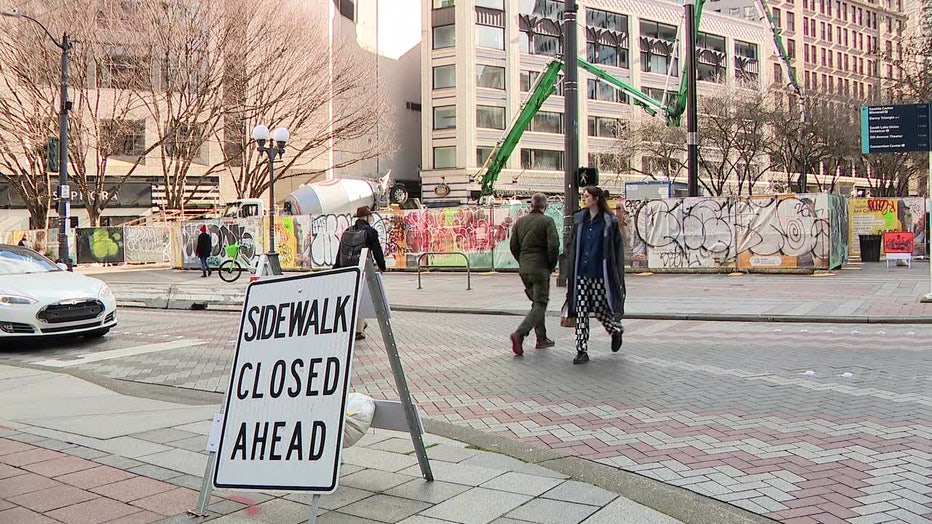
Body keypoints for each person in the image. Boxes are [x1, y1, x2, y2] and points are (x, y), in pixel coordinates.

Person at [565, 186, 626, 364]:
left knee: (600, 309)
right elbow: (572, 245)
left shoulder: (609, 222)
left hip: (600, 273)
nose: (584, 199)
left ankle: (615, 330)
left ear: (596, 199)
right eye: (583, 196)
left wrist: (618, 275)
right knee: (581, 311)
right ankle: (581, 350)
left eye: (587, 196)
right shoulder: (579, 220)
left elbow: (616, 252)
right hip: (581, 274)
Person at [509, 193, 559, 356]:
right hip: (540, 268)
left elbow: (513, 246)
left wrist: (522, 261)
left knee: (536, 303)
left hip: (524, 268)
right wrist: (550, 266)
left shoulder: (520, 222)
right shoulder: (547, 221)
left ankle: (541, 338)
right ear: (545, 206)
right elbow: (553, 246)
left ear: (531, 205)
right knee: (540, 303)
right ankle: (520, 333)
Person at [334, 206, 387, 340]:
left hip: (347, 271)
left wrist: (336, 270)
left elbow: (340, 252)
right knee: (360, 298)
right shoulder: (370, 232)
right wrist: (382, 266)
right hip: (362, 270)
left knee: (351, 298)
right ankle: (358, 330)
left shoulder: (347, 231)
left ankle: (360, 324)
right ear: (368, 217)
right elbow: (377, 251)